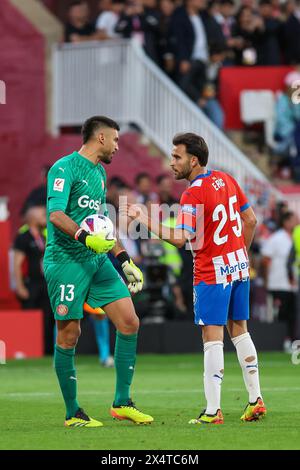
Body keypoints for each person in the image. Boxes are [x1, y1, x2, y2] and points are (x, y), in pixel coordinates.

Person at [124, 132, 266, 424]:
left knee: (211, 337)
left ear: (194, 159)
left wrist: (144, 218)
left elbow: (180, 239)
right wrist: (239, 253)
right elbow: (250, 220)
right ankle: (255, 400)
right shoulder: (226, 179)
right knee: (240, 329)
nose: (171, 162)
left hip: (212, 271)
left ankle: (212, 411)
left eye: (177, 157)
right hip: (238, 266)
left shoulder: (193, 193)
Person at [44, 115, 153, 427]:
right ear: (101, 138)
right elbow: (55, 214)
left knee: (130, 322)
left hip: (97, 260)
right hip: (66, 261)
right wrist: (83, 236)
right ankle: (72, 412)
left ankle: (122, 402)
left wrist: (124, 259)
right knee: (69, 334)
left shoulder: (100, 174)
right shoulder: (63, 168)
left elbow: (103, 223)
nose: (118, 147)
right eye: (116, 140)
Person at [13, 205, 54, 355]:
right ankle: (28, 348)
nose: (45, 217)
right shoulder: (23, 237)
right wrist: (19, 285)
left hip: (46, 283)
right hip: (31, 283)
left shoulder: (44, 235)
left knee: (48, 316)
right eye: (42, 214)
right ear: (32, 216)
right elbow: (17, 263)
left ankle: (47, 350)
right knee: (30, 315)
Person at [261, 211, 298, 352]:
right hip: (278, 283)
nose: (297, 222)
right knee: (281, 314)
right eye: (294, 219)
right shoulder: (276, 238)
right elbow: (265, 260)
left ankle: (291, 341)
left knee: (292, 314)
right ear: (286, 222)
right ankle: (280, 341)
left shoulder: (295, 237)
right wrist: (266, 280)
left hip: (292, 285)